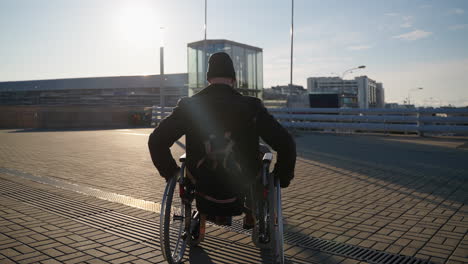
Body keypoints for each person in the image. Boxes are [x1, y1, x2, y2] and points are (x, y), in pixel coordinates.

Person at [148, 52, 296, 230]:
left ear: (208, 78)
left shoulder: (189, 106)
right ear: (233, 79)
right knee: (262, 151)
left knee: (190, 161)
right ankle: (252, 210)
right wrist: (281, 178)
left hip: (200, 178)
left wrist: (171, 172)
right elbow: (286, 144)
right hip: (244, 177)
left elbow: (156, 140)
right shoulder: (251, 106)